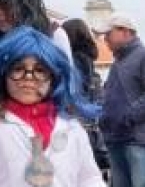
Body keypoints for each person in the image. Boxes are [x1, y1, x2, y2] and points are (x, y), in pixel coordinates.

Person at [0, 26, 103, 187]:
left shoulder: (72, 129)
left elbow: (89, 178)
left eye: (40, 70)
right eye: (18, 69)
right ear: (3, 74)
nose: (28, 78)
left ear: (54, 76)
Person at [96, 15, 145, 187]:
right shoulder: (118, 62)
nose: (105, 39)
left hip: (138, 139)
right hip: (117, 138)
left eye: (109, 33)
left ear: (126, 32)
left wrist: (128, 116)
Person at [60, 18, 109, 173]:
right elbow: (99, 100)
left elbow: (70, 98)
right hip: (93, 132)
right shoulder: (89, 64)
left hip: (75, 129)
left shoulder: (69, 64)